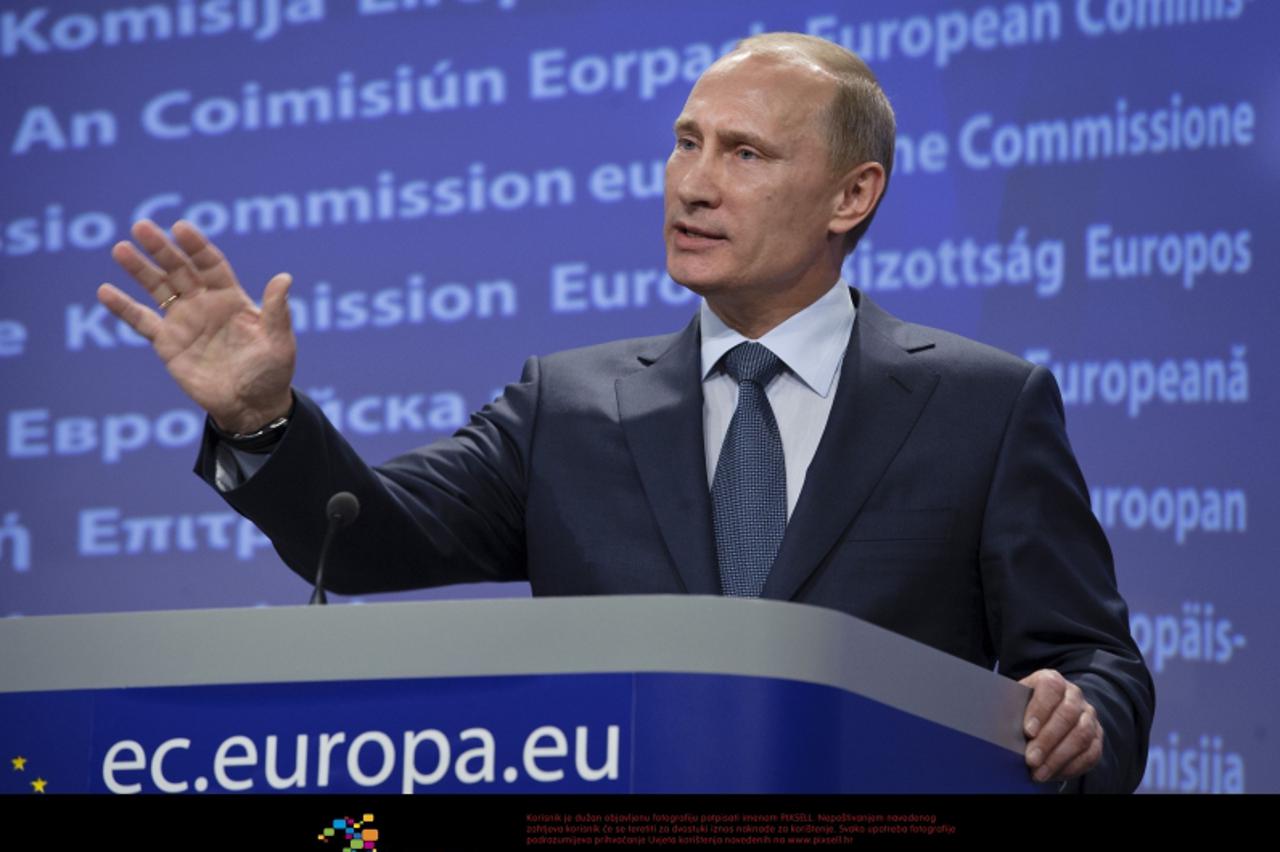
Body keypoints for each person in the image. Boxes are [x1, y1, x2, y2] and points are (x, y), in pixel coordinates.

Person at [97, 33, 1153, 792]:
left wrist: (1077, 720)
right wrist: (263, 418)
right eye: (684, 142)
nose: (691, 184)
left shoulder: (981, 403)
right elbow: (371, 539)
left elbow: (1092, 660)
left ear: (850, 196)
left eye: (743, 154)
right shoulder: (568, 404)